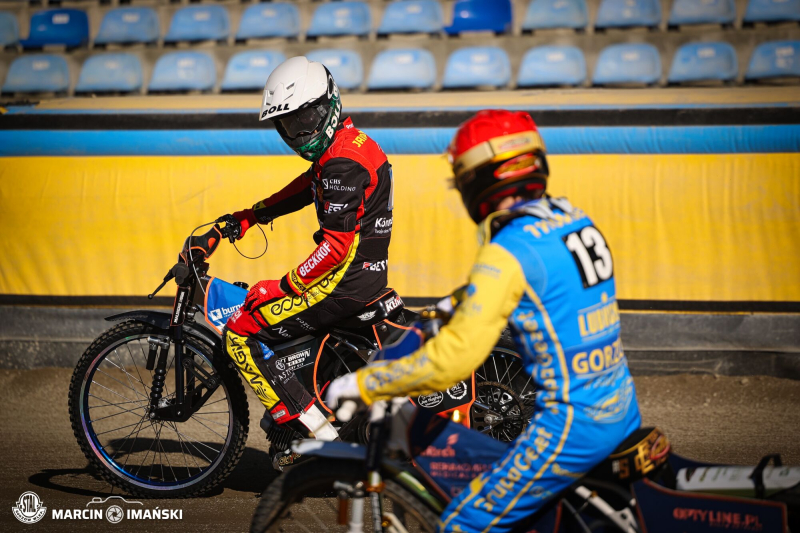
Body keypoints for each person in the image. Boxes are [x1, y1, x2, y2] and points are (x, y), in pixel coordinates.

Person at [326, 110, 641, 532]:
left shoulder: (506, 252)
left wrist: (367, 383)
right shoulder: (574, 222)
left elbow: (454, 361)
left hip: (570, 429)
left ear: (476, 182)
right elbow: (501, 293)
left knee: (464, 522)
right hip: (619, 407)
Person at [221, 56, 395, 452]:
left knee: (239, 332)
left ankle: (315, 436)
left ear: (330, 103)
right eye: (290, 124)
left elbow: (335, 248)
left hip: (343, 285)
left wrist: (281, 287)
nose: (301, 132)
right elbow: (308, 185)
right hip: (362, 278)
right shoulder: (349, 147)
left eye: (307, 118)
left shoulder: (341, 162)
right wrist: (254, 215)